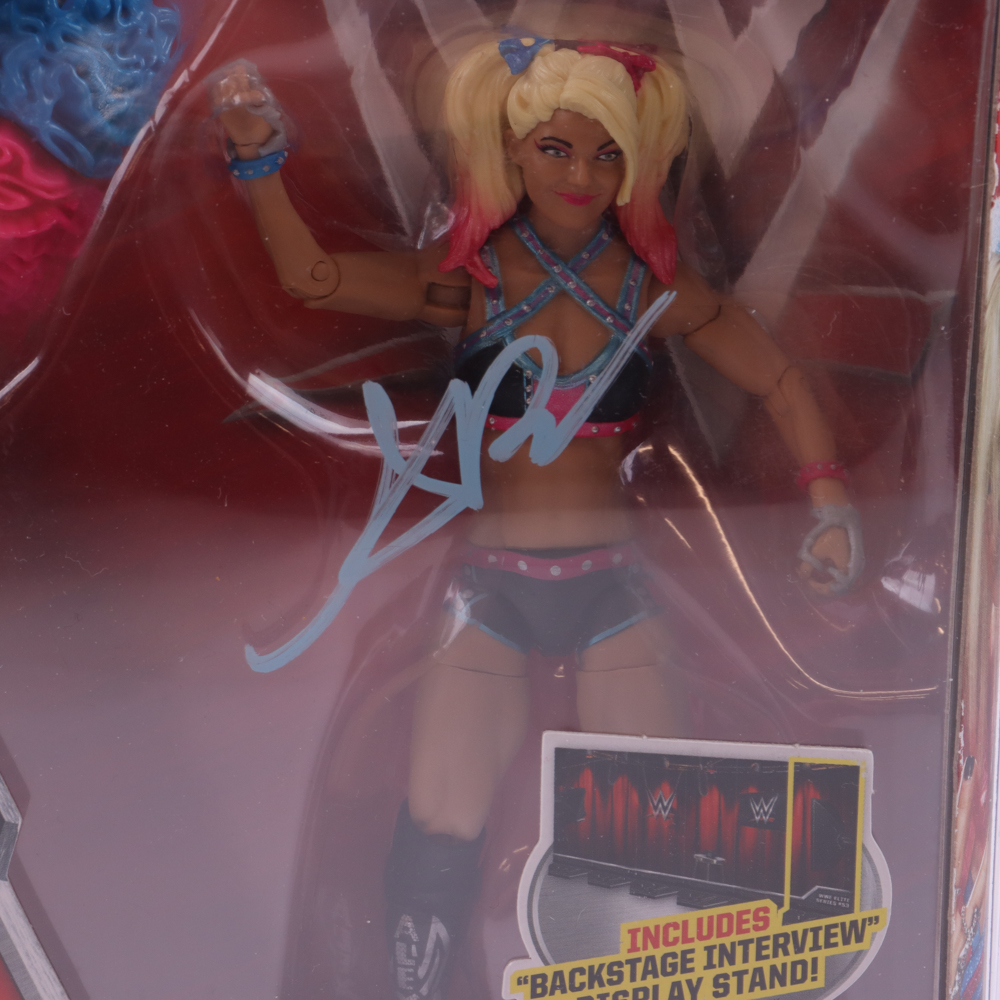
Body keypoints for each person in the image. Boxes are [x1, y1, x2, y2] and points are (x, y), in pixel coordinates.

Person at [213, 37, 862, 1000]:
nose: (581, 175)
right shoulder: (472, 282)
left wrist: (830, 500)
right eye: (556, 149)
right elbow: (314, 278)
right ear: (513, 151)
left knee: (660, 834)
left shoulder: (649, 290)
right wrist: (257, 160)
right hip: (492, 589)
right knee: (439, 816)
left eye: (607, 154)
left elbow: (780, 377)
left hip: (613, 590)